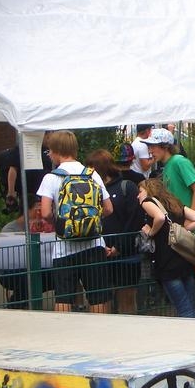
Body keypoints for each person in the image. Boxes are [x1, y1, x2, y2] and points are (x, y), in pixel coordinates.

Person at [37, 130, 114, 313]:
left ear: (56, 151)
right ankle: (100, 330)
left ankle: (64, 331)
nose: (49, 155)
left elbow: (45, 213)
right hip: (94, 244)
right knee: (98, 297)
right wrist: (89, 221)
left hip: (64, 248)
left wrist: (62, 223)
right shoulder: (92, 175)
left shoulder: (51, 178)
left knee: (64, 297)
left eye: (49, 151)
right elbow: (109, 208)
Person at [86, 149, 145, 314]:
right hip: (100, 253)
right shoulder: (90, 190)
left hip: (126, 256)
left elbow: (134, 220)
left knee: (127, 300)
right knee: (100, 299)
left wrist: (119, 247)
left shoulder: (127, 187)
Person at [138, 178, 195, 318]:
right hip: (185, 261)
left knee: (184, 309)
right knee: (190, 305)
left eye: (140, 191)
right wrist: (182, 230)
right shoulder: (175, 203)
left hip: (167, 263)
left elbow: (160, 217)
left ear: (148, 190)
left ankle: (191, 331)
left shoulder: (148, 202)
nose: (138, 196)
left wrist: (151, 232)